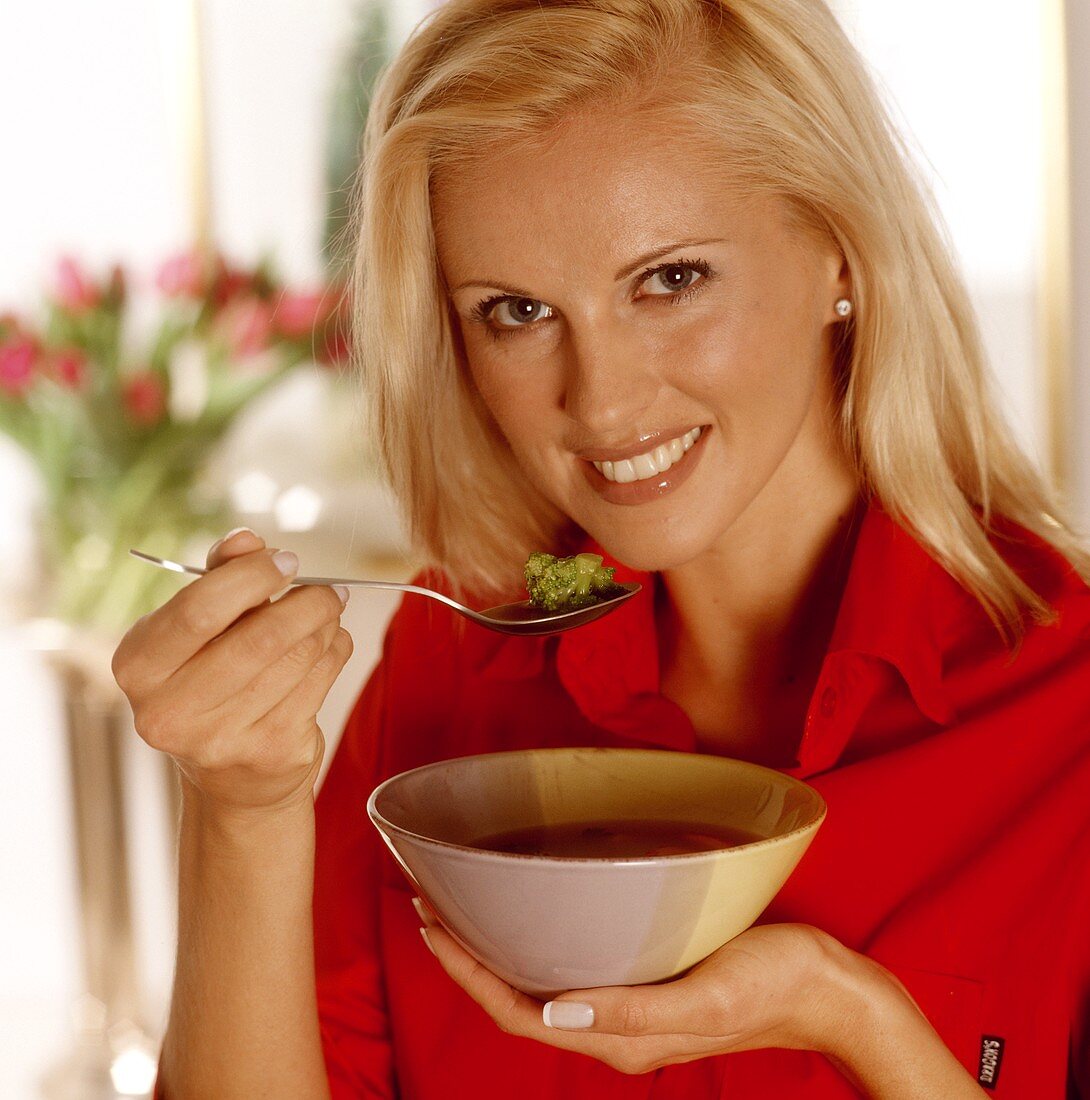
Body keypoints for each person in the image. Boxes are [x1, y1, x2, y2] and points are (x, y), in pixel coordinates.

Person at [111, 0, 1090, 1095]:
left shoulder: (1070, 715)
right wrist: (238, 813)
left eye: (670, 279)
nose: (603, 398)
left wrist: (848, 1010)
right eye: (516, 310)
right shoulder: (450, 676)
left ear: (836, 254)